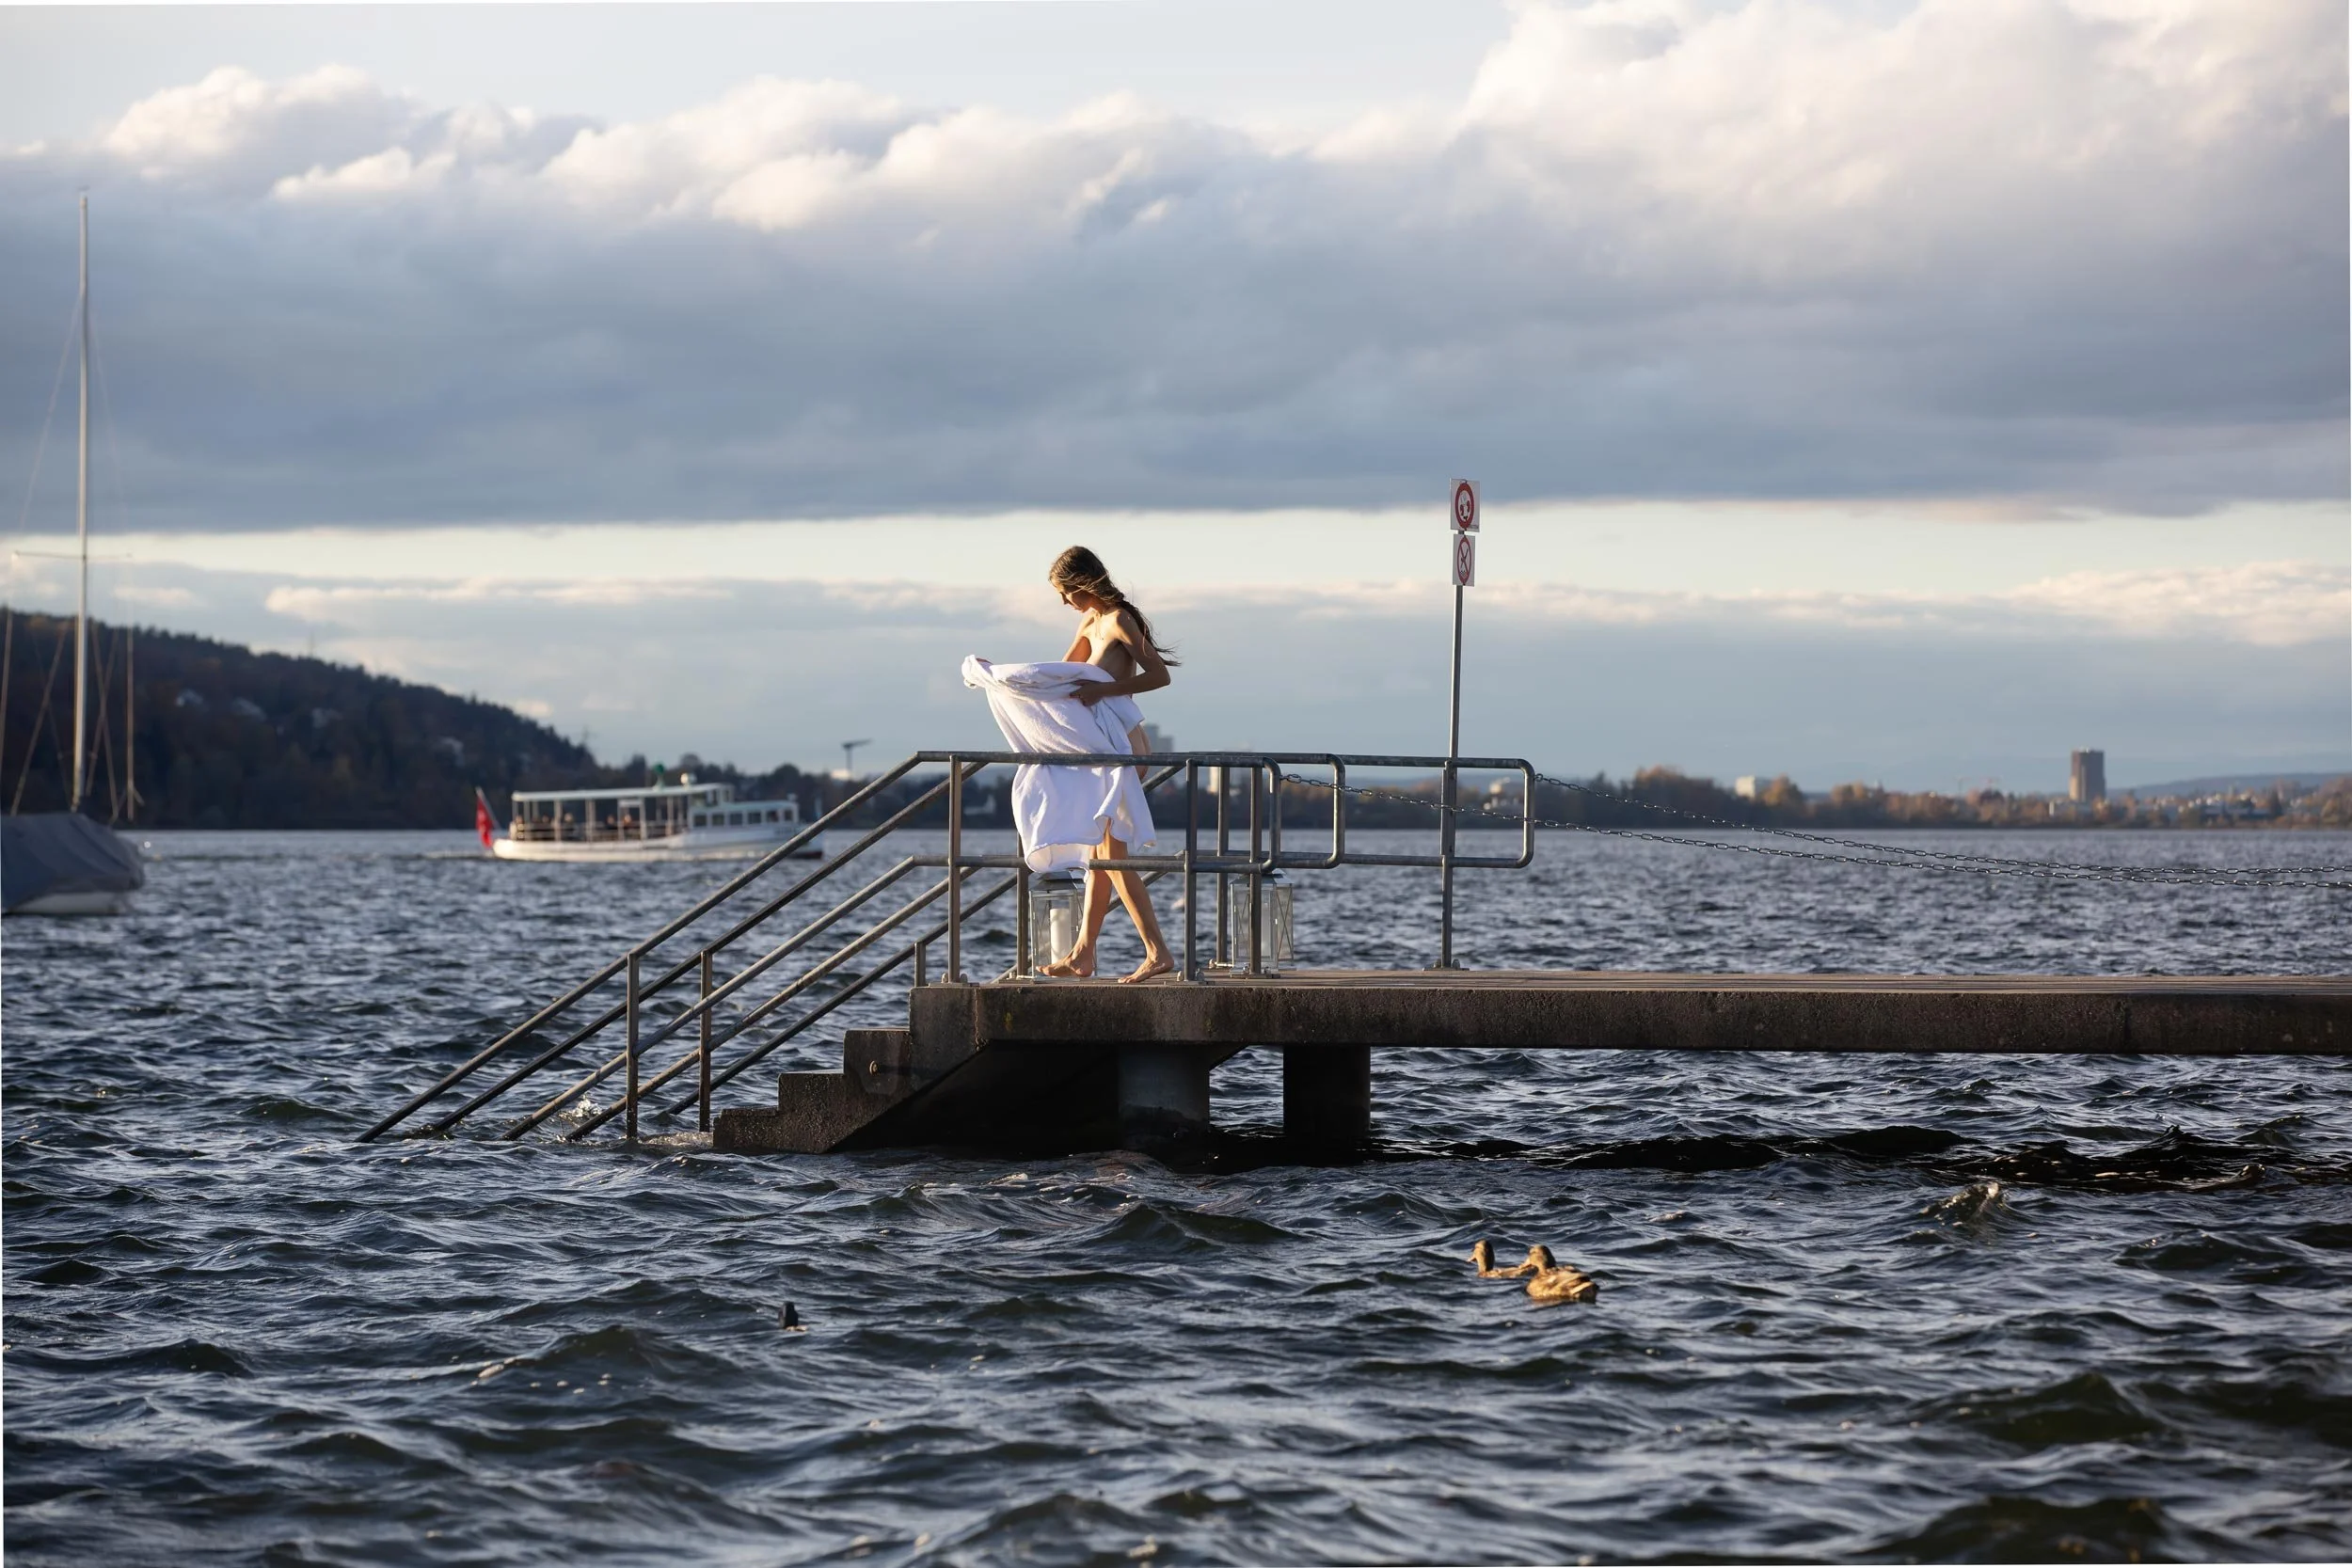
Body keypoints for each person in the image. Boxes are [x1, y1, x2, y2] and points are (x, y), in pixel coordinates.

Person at [1041, 546, 1177, 984]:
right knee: (1100, 854)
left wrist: (1104, 691)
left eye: (1067, 593)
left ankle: (1157, 952)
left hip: (1127, 748)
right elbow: (1060, 673)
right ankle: (1083, 955)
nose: (1065, 602)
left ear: (1084, 582)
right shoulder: (1090, 622)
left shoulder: (1119, 619)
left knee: (1111, 856)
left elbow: (1160, 676)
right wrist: (1007, 680)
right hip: (1100, 751)